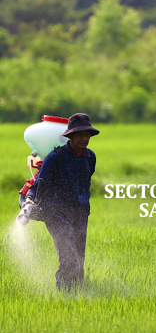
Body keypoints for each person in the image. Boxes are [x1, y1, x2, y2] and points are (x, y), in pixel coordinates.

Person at [25, 113, 99, 291]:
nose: (84, 138)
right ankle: (65, 295)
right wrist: (29, 200)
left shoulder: (90, 157)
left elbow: (86, 183)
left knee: (79, 258)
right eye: (80, 134)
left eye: (87, 134)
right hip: (56, 211)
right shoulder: (56, 157)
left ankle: (78, 294)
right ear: (70, 135)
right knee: (69, 257)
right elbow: (39, 184)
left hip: (80, 211)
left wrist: (84, 205)